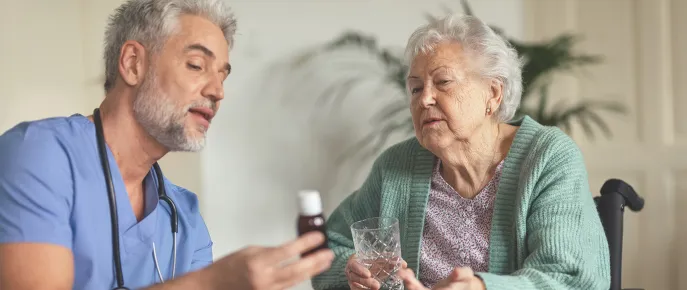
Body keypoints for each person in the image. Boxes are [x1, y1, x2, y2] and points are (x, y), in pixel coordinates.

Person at [0, 0, 334, 289]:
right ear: (133, 63)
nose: (218, 91)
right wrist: (211, 283)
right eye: (196, 65)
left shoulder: (183, 216)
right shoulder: (39, 154)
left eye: (223, 75)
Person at [311, 13, 610, 290]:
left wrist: (482, 287)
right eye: (415, 88)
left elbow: (569, 276)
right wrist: (349, 268)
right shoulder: (396, 167)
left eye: (443, 82)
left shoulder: (547, 157)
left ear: (493, 93)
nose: (425, 98)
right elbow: (327, 248)